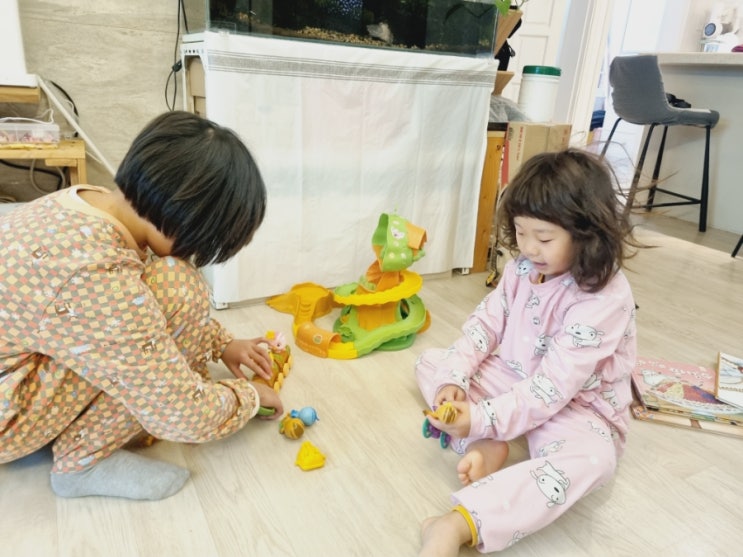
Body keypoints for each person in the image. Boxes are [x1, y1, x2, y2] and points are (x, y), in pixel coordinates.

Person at [0, 111, 284, 500]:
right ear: (189, 224)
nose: (194, 257)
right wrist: (248, 398)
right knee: (179, 288)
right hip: (7, 421)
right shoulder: (94, 277)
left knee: (164, 289)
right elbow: (181, 413)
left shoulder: (87, 201)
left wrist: (221, 343)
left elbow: (135, 309)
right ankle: (82, 464)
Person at [416, 149, 642, 555]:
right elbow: (486, 325)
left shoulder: (604, 296)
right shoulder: (522, 269)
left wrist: (481, 417)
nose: (530, 248)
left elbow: (554, 386)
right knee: (432, 363)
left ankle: (460, 523)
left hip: (576, 406)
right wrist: (454, 379)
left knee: (594, 460)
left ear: (586, 233)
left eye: (544, 238)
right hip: (516, 378)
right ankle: (487, 442)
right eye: (521, 232)